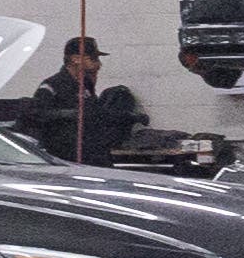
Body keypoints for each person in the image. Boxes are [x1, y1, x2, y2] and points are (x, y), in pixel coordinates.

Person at [13, 35, 146, 166]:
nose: (98, 64)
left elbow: (96, 112)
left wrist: (129, 117)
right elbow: (37, 114)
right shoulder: (53, 85)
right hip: (64, 152)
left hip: (89, 149)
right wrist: (69, 114)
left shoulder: (85, 84)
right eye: (92, 59)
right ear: (76, 59)